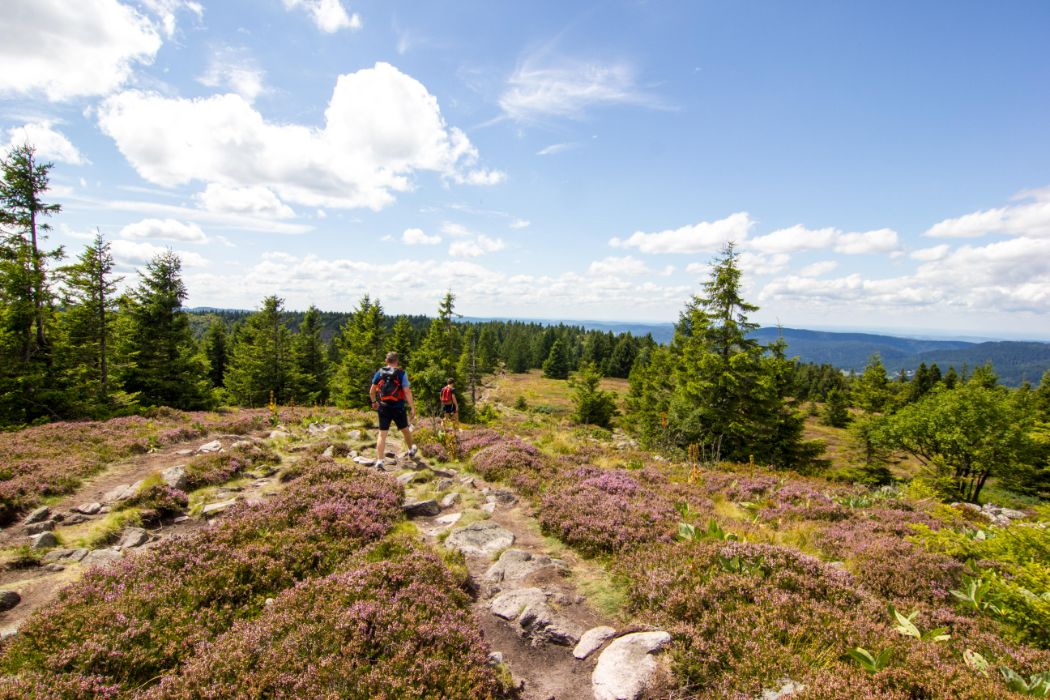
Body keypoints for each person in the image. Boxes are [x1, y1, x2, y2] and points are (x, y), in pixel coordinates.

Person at [369, 352, 416, 465]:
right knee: (405, 430)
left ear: (386, 361)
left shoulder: (380, 373)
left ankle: (380, 460)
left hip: (383, 407)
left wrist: (374, 402)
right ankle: (410, 450)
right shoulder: (401, 373)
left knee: (382, 434)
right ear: (397, 361)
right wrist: (412, 407)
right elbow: (407, 392)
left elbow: (372, 391)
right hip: (398, 407)